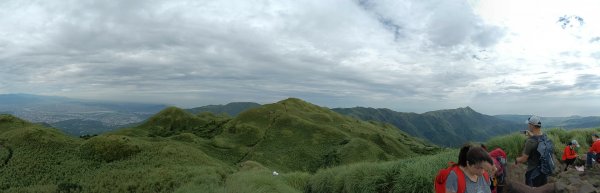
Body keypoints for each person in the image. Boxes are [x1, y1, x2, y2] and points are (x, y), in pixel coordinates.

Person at [514, 115, 549, 187]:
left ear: (532, 125)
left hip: (533, 172)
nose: (528, 125)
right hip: (544, 171)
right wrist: (532, 136)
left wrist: (516, 160)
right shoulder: (545, 136)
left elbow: (523, 159)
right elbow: (538, 143)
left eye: (529, 124)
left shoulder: (530, 142)